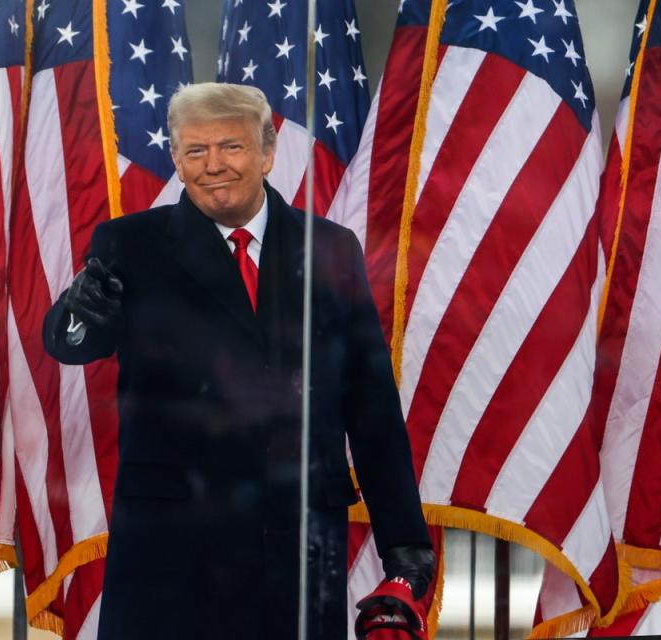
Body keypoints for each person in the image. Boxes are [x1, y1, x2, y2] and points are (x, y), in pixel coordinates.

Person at [43, 82, 432, 639]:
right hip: (173, 547)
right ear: (175, 159)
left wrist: (406, 550)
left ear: (268, 153)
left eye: (231, 146)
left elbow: (371, 409)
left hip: (297, 543)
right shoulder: (128, 245)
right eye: (195, 151)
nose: (213, 165)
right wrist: (79, 312)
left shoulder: (330, 248)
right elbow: (71, 345)